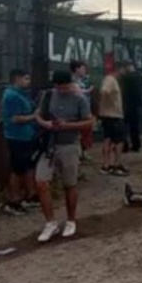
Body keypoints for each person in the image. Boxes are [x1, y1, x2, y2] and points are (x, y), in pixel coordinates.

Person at [34, 69, 95, 243]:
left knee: (70, 184)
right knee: (41, 181)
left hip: (69, 144)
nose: (63, 90)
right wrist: (45, 123)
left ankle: (70, 220)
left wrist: (68, 125)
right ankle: (50, 222)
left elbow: (90, 121)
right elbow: (37, 114)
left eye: (66, 86)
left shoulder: (79, 99)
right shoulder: (47, 96)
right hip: (49, 145)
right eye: (60, 87)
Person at [0, 69, 39, 215]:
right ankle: (13, 200)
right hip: (16, 136)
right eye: (26, 78)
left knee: (28, 165)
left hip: (27, 135)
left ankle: (30, 195)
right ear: (17, 79)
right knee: (17, 169)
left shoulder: (22, 95)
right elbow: (15, 118)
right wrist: (33, 117)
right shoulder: (11, 96)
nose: (28, 82)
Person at [98, 66, 129, 176]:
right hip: (113, 115)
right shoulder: (110, 80)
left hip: (108, 115)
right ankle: (116, 164)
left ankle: (106, 165)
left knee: (108, 138)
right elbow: (104, 91)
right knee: (119, 140)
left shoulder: (109, 80)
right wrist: (109, 103)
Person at [70, 61, 94, 162]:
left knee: (86, 132)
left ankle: (84, 152)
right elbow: (76, 92)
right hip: (76, 110)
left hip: (86, 109)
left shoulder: (84, 80)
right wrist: (88, 90)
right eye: (83, 68)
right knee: (78, 133)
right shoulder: (71, 80)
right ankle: (78, 154)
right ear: (77, 69)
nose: (84, 71)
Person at [119, 61, 142, 153]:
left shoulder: (125, 78)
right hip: (136, 104)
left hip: (126, 104)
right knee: (135, 126)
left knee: (124, 126)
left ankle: (124, 145)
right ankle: (136, 144)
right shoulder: (138, 76)